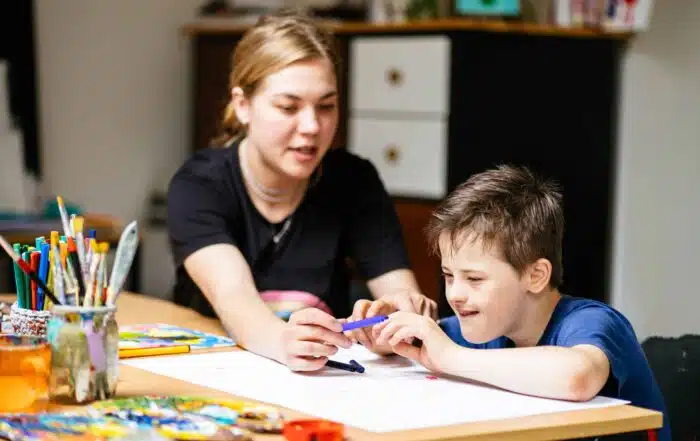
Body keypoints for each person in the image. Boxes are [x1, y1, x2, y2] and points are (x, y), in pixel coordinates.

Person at [166, 10, 436, 372]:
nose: (311, 127)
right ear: (243, 105)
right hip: (217, 370)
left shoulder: (355, 181)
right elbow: (235, 299)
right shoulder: (199, 185)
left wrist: (396, 323)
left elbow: (401, 294)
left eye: (326, 106)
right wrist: (283, 342)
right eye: (288, 107)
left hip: (321, 380)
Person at [370, 165, 670, 441]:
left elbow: (576, 376)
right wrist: (385, 336)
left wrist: (448, 356)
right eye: (449, 275)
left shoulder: (592, 322)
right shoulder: (484, 326)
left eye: (474, 279)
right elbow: (428, 344)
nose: (455, 294)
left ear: (536, 276)